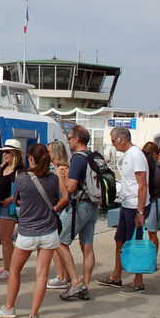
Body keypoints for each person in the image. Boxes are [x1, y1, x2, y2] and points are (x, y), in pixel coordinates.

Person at [0, 144, 62, 318]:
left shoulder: (22, 179)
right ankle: (34, 316)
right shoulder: (53, 179)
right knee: (42, 275)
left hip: (27, 232)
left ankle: (9, 308)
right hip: (49, 231)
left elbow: (17, 198)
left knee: (14, 270)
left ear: (30, 158)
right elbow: (55, 199)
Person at [97, 126, 150, 293]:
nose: (113, 145)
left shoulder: (136, 155)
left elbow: (142, 185)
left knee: (135, 242)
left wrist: (140, 212)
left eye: (113, 141)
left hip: (135, 207)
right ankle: (116, 275)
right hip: (126, 205)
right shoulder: (128, 155)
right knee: (119, 239)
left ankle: (138, 281)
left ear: (122, 139)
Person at [58, 125, 98, 301]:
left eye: (70, 137)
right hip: (94, 205)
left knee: (58, 241)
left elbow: (71, 187)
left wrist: (63, 176)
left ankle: (75, 283)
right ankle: (85, 286)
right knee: (87, 246)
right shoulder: (94, 156)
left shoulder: (77, 159)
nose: (69, 141)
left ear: (77, 139)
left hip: (80, 205)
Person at [0, 139, 26, 282]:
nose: (4, 154)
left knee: (6, 240)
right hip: (2, 208)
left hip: (10, 208)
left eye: (7, 152)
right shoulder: (4, 168)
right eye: (4, 152)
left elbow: (23, 190)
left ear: (15, 153)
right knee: (7, 240)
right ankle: (10, 268)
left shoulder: (20, 171)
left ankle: (8, 269)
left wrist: (10, 199)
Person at [45, 140, 74, 290]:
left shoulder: (58, 171)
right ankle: (66, 275)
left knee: (57, 245)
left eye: (49, 151)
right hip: (69, 210)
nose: (47, 154)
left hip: (62, 211)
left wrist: (54, 209)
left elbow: (65, 196)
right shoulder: (67, 168)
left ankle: (61, 276)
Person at [141, 141, 160, 250]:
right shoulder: (154, 164)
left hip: (158, 199)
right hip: (152, 198)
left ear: (153, 153)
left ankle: (153, 256)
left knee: (152, 231)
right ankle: (149, 254)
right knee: (149, 231)